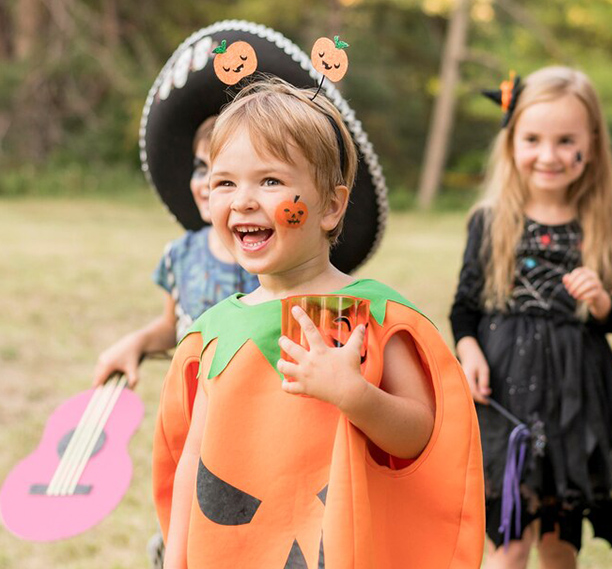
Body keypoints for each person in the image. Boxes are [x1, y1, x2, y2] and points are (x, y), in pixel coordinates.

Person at [153, 77, 484, 569]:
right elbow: (195, 465)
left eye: (270, 181)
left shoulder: (368, 316)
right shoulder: (214, 332)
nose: (243, 200)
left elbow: (421, 436)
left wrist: (355, 395)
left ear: (331, 205)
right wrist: (177, 559)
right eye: (225, 182)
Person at [450, 66, 612, 568]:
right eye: (533, 139)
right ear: (512, 140)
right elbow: (465, 308)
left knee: (560, 543)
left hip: (574, 398)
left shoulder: (599, 221)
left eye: (565, 141)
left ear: (592, 144)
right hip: (506, 394)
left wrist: (600, 299)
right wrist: (467, 350)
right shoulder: (491, 220)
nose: (549, 155)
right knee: (510, 538)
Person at [93, 116, 258, 388]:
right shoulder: (180, 255)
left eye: (224, 175)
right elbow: (174, 326)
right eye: (201, 168)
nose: (207, 183)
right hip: (191, 405)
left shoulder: (272, 257)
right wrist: (137, 342)